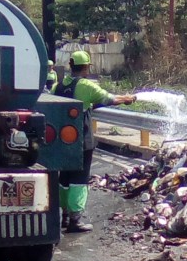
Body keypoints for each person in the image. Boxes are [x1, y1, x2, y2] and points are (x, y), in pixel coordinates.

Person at [52, 50, 136, 233]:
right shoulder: (86, 86)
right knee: (79, 180)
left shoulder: (57, 87)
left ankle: (64, 216)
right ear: (85, 67)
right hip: (81, 140)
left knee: (64, 178)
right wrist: (128, 98)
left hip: (61, 143)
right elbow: (109, 98)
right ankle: (76, 220)